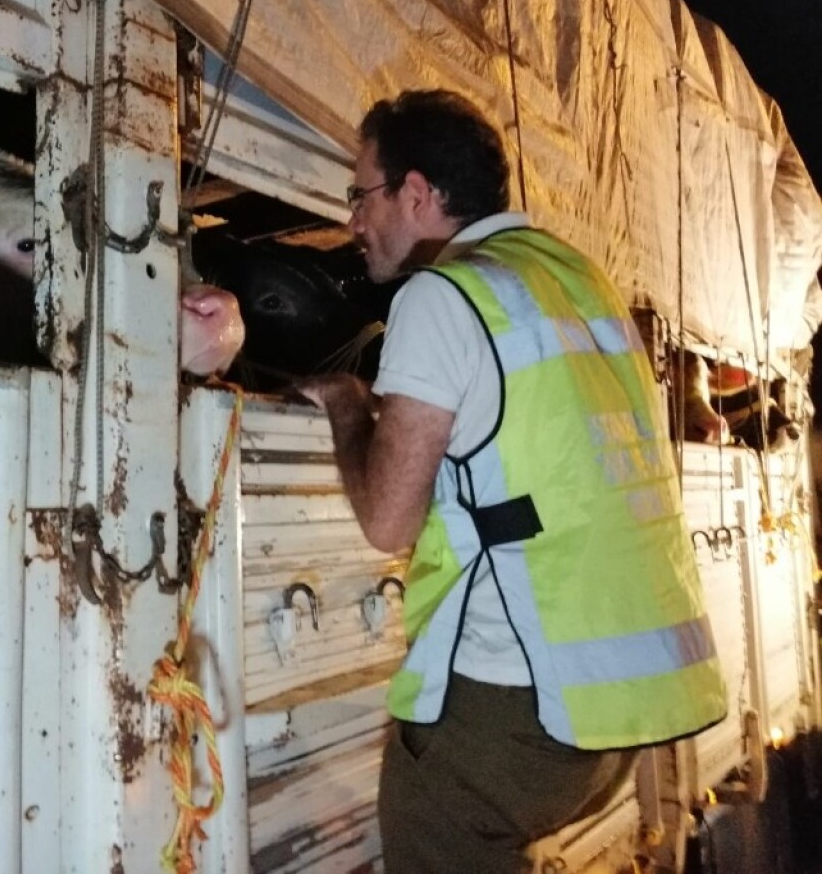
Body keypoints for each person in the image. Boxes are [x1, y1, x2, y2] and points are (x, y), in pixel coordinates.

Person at [297, 89, 726, 873]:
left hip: (519, 701)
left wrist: (350, 406)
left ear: (417, 194)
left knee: (427, 805)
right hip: (618, 709)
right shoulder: (577, 277)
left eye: (361, 195)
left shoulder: (442, 297)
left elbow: (389, 521)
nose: (353, 221)